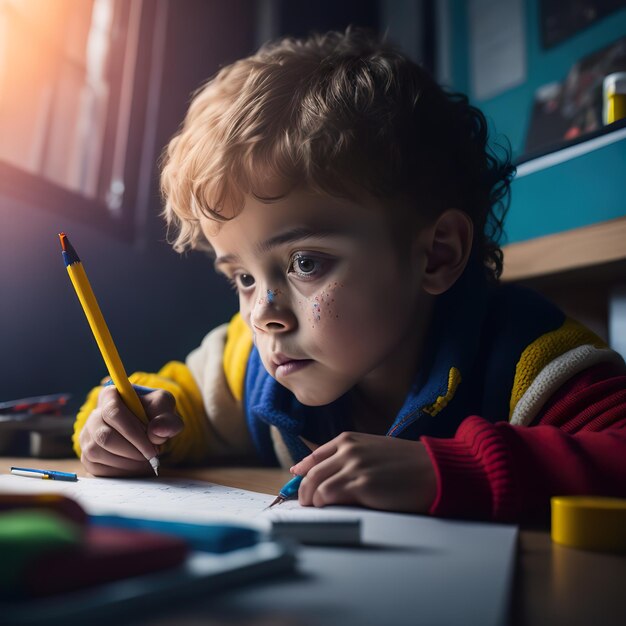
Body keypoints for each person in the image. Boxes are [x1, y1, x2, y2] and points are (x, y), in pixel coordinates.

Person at [72, 28, 626, 523]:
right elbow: (175, 403)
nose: (264, 313)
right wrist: (124, 426)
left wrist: (448, 470)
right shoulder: (244, 359)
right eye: (242, 277)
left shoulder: (527, 358)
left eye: (305, 263)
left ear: (435, 254)